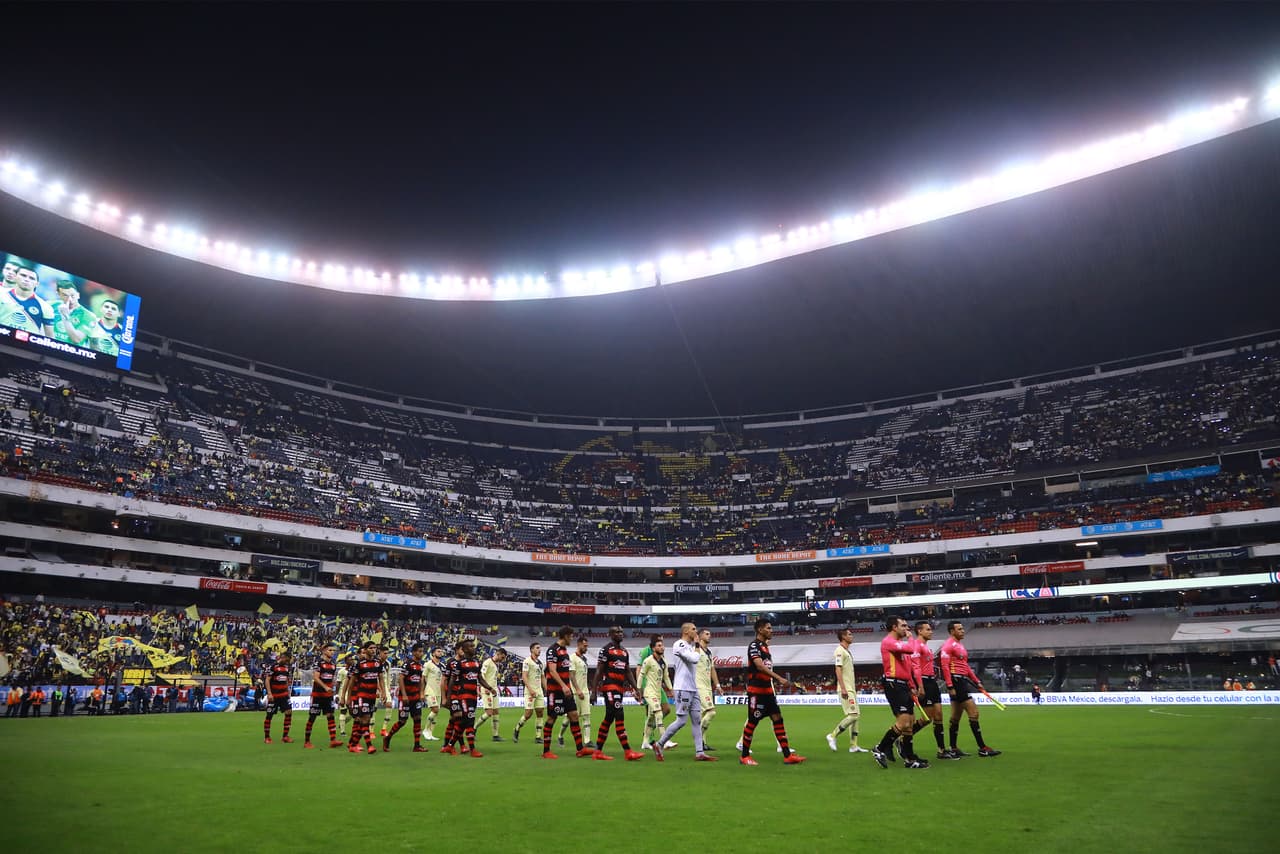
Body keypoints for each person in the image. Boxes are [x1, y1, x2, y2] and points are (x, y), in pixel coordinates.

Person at [739, 619, 805, 766]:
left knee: (778, 719)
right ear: (760, 630)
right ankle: (744, 756)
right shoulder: (754, 646)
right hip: (757, 691)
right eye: (768, 628)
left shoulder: (765, 647)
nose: (771, 630)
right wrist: (779, 678)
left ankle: (787, 755)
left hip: (767, 691)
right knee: (752, 722)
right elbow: (760, 666)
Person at [871, 616, 928, 770]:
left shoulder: (899, 644)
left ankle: (909, 759)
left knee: (909, 723)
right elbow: (911, 649)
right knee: (903, 722)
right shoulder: (888, 642)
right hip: (893, 683)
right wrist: (911, 638)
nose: (906, 628)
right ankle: (879, 748)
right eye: (903, 626)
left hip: (903, 685)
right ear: (894, 627)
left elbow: (906, 667)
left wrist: (911, 686)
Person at [655, 622, 716, 761]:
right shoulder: (679, 644)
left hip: (693, 688)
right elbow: (694, 659)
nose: (696, 631)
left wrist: (696, 646)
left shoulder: (690, 646)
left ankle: (699, 752)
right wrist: (697, 645)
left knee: (697, 720)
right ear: (686, 631)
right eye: (694, 629)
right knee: (681, 721)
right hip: (683, 688)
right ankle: (659, 745)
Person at [940, 621, 1001, 757]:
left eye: (962, 628)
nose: (963, 631)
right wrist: (950, 686)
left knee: (955, 717)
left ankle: (953, 748)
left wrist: (976, 681)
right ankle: (982, 748)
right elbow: (945, 667)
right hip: (956, 681)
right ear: (952, 631)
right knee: (974, 713)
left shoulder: (960, 645)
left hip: (961, 679)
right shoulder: (948, 645)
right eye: (959, 629)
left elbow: (965, 666)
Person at [590, 626, 645, 761]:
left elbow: (627, 671)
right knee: (619, 715)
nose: (620, 634)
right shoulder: (606, 650)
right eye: (617, 632)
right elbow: (599, 671)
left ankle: (597, 751)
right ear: (610, 634)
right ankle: (628, 751)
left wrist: (636, 688)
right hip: (609, 687)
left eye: (621, 632)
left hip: (619, 689)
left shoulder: (624, 652)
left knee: (609, 718)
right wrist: (594, 691)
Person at [542, 626, 593, 759]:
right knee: (552, 718)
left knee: (574, 715)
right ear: (565, 636)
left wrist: (567, 687)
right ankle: (546, 751)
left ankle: (580, 749)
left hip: (566, 690)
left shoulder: (564, 651)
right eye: (571, 636)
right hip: (555, 690)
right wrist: (563, 685)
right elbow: (552, 671)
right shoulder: (553, 650)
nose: (572, 638)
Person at [443, 637, 492, 757]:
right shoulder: (460, 664)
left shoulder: (476, 662)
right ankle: (472, 750)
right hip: (463, 696)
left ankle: (450, 745)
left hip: (473, 696)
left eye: (473, 646)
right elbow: (452, 680)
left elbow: (480, 678)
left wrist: (490, 688)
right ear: (464, 649)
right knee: (469, 721)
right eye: (470, 646)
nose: (473, 648)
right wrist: (448, 698)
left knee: (464, 722)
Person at [826, 627, 868, 754]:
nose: (852, 636)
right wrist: (843, 688)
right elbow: (838, 669)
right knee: (853, 715)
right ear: (843, 637)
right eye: (849, 634)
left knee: (856, 716)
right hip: (846, 689)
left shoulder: (846, 651)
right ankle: (832, 735)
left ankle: (853, 745)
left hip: (851, 688)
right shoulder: (839, 651)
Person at [910, 621, 949, 759]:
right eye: (928, 629)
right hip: (924, 682)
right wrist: (920, 686)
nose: (931, 631)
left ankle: (941, 750)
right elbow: (915, 667)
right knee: (927, 718)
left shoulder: (926, 647)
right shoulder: (916, 645)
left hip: (932, 682)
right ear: (919, 631)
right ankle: (903, 738)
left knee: (939, 715)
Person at [383, 644, 427, 752]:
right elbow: (401, 679)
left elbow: (421, 680)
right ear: (414, 652)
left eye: (422, 651)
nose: (421, 653)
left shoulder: (420, 665)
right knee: (402, 721)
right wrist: (404, 695)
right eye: (419, 651)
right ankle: (388, 738)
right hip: (406, 697)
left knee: (417, 719)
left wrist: (421, 693)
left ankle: (417, 745)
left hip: (415, 697)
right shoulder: (408, 664)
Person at [344, 641, 382, 754]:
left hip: (372, 696)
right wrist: (347, 697)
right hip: (361, 695)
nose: (373, 650)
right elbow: (350, 682)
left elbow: (379, 678)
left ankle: (353, 743)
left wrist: (382, 691)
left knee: (364, 720)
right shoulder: (358, 664)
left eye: (375, 648)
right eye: (371, 648)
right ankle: (369, 745)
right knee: (362, 719)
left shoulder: (377, 663)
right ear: (364, 650)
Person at [638, 636, 673, 755]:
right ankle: (664, 740)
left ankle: (645, 742)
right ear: (653, 648)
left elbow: (666, 677)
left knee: (651, 717)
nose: (662, 647)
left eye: (662, 645)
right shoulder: (648, 660)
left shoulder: (664, 662)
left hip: (658, 692)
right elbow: (641, 675)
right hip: (649, 692)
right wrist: (639, 689)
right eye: (659, 645)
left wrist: (671, 689)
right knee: (658, 712)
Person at [304, 642, 343, 749]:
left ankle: (333, 740)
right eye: (330, 650)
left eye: (333, 650)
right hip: (317, 695)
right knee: (312, 717)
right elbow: (316, 677)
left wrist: (333, 687)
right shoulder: (318, 663)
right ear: (324, 651)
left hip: (328, 696)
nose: (332, 652)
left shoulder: (333, 664)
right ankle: (307, 741)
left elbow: (331, 678)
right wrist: (325, 687)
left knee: (330, 716)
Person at [1, 261, 55, 336]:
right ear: (15, 277)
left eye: (32, 278)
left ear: (37, 284)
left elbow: (50, 337)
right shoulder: (1, 294)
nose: (27, 279)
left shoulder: (45, 307)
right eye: (23, 275)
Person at [558, 636, 590, 748]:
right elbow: (571, 675)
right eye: (584, 646)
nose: (586, 648)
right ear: (579, 644)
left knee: (586, 715)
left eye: (587, 646)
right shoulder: (572, 658)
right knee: (569, 717)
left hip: (585, 691)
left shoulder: (584, 659)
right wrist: (577, 689)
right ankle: (560, 735)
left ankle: (587, 741)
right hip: (575, 692)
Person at [512, 642, 545, 743]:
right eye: (537, 648)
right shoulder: (527, 661)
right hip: (530, 691)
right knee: (528, 714)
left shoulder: (540, 663)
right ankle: (517, 728)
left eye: (540, 648)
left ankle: (538, 737)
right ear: (532, 650)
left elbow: (543, 677)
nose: (539, 650)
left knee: (540, 712)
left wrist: (547, 689)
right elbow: (524, 676)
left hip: (539, 691)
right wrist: (530, 689)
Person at [695, 629, 722, 750]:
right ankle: (698, 738)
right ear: (700, 636)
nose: (709, 636)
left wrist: (718, 686)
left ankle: (702, 744)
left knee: (702, 716)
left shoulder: (709, 652)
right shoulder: (696, 650)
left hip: (707, 687)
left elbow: (712, 669)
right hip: (699, 686)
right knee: (711, 712)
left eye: (710, 634)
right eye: (706, 634)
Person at [262, 651, 294, 744]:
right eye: (286, 660)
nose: (287, 662)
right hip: (274, 696)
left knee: (289, 712)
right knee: (269, 715)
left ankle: (285, 736)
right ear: (282, 657)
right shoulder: (273, 667)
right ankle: (267, 737)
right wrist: (269, 693)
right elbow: (267, 680)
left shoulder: (286, 668)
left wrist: (288, 691)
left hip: (284, 695)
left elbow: (286, 680)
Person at [476, 646, 507, 741]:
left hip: (494, 691)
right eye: (502, 657)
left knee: (496, 712)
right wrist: (483, 688)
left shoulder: (496, 664)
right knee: (489, 713)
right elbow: (481, 676)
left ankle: (495, 735)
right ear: (498, 654)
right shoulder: (487, 662)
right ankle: (473, 729)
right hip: (487, 690)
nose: (503, 660)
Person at [422, 647, 444, 741]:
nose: (440, 653)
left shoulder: (442, 666)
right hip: (430, 690)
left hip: (438, 691)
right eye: (438, 651)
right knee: (435, 709)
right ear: (433, 653)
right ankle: (425, 730)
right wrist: (422, 692)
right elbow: (423, 678)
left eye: (441, 651)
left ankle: (430, 733)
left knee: (436, 712)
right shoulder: (428, 664)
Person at [377, 645, 396, 738]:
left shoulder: (388, 663)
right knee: (373, 709)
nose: (386, 655)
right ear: (380, 653)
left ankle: (384, 729)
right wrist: (378, 689)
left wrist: (388, 688)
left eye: (387, 653)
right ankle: (370, 731)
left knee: (389, 705)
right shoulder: (375, 663)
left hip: (384, 687)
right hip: (374, 687)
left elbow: (388, 676)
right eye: (384, 653)